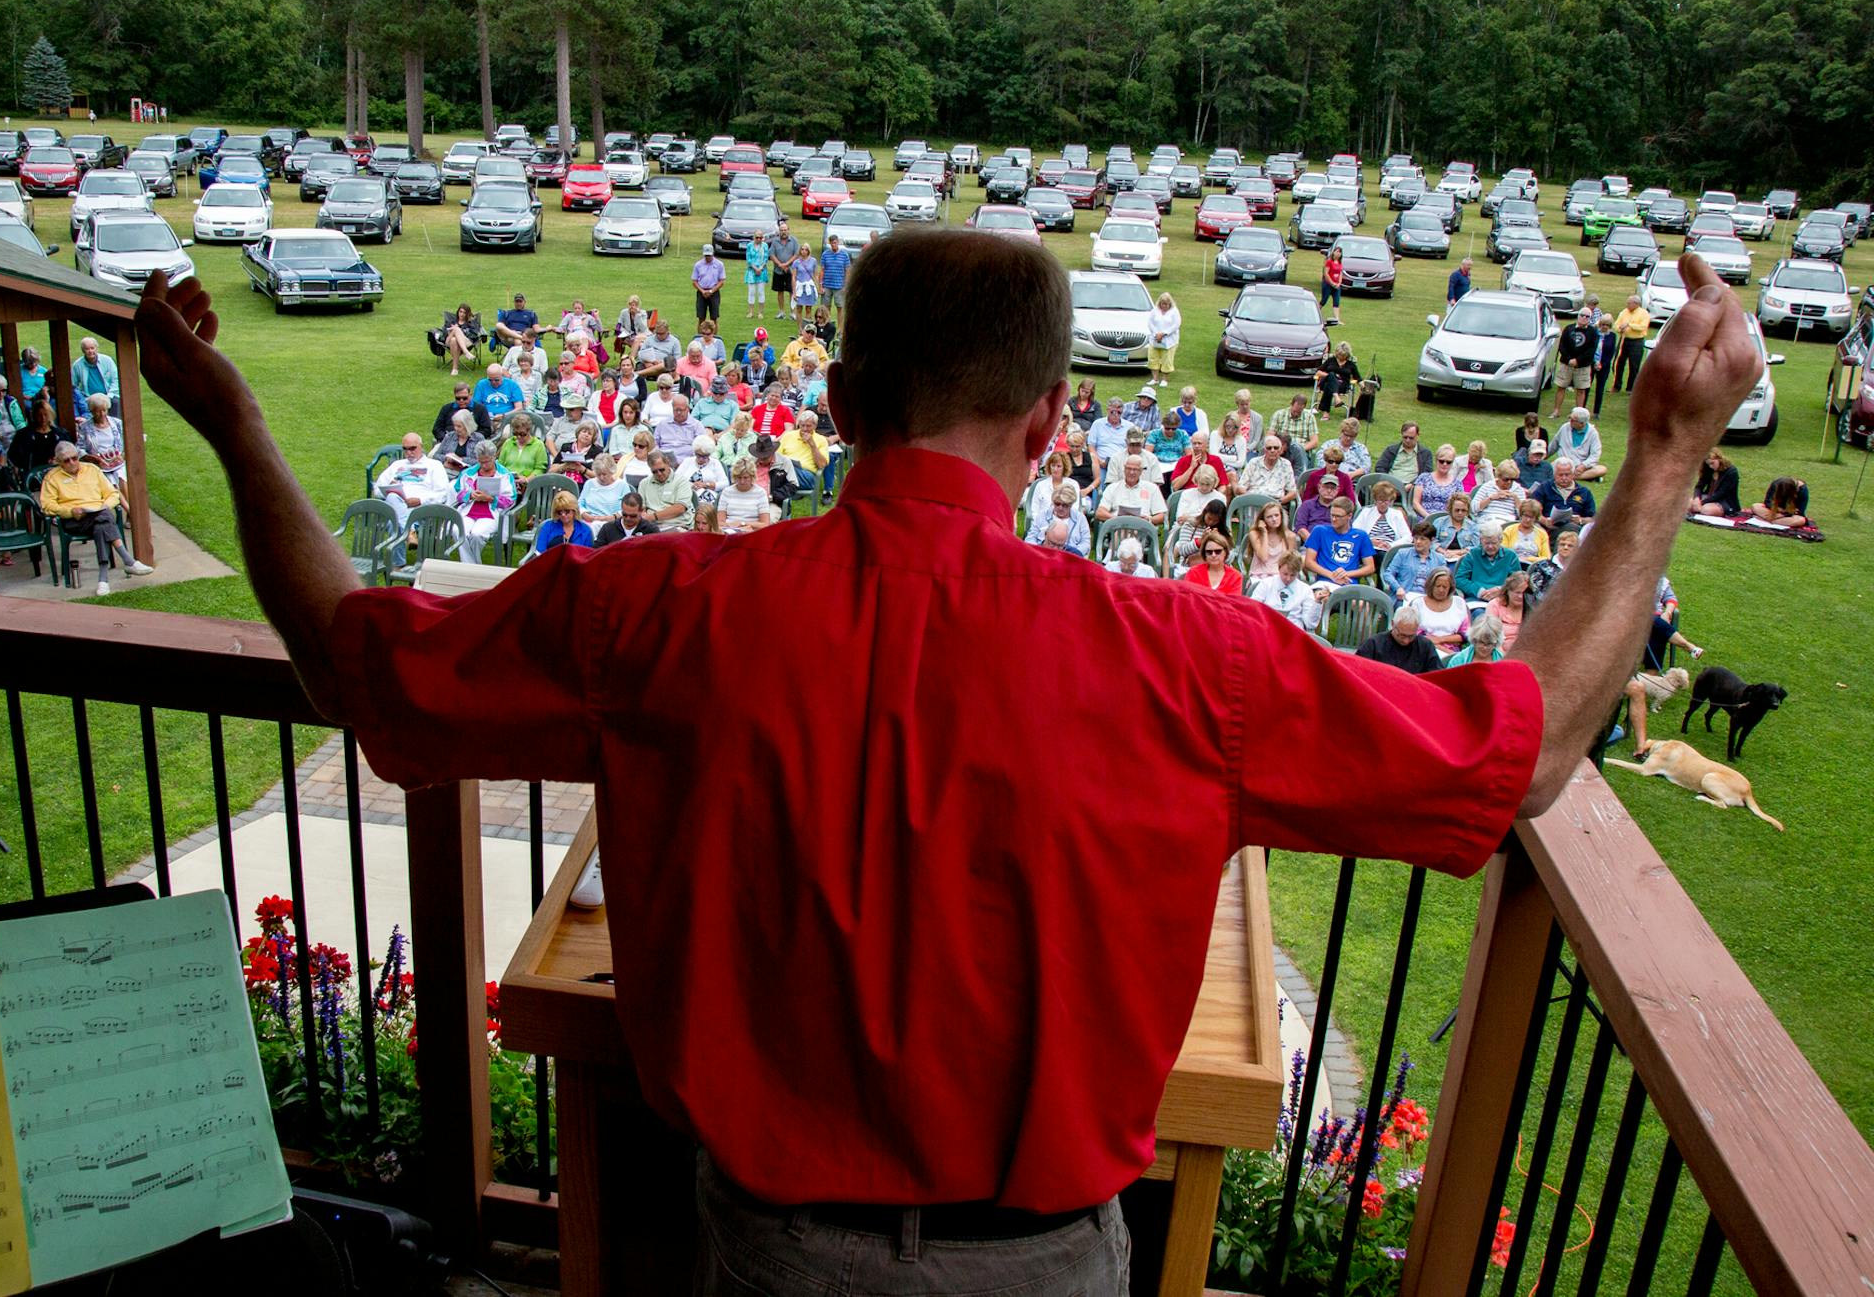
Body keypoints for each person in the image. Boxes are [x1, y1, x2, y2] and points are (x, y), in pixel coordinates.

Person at [130, 234, 1759, 1295]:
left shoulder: (667, 613)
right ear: (1054, 424)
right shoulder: (1189, 660)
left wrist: (231, 420)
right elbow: (1520, 748)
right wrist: (1669, 447)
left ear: (838, 401)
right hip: (1046, 1268)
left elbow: (361, 662)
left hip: (747, 1252)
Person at [38, 440, 152, 592]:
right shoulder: (52, 478)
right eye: (67, 460)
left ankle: (103, 580)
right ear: (58, 462)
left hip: (97, 514)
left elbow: (112, 494)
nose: (72, 462)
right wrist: (70, 511)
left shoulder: (92, 470)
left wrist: (105, 506)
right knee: (105, 518)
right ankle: (128, 561)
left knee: (102, 524)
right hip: (74, 521)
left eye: (75, 458)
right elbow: (47, 506)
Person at [371, 433, 454, 563]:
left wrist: (420, 500)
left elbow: (442, 493)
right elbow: (377, 489)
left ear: (421, 447)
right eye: (405, 449)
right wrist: (389, 488)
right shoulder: (397, 465)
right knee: (393, 496)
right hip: (398, 505)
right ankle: (409, 531)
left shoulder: (434, 465)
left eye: (412, 448)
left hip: (420, 510)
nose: (409, 452)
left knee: (394, 521)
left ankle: (397, 564)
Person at [454, 442, 516, 562]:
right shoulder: (468, 473)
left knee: (477, 534)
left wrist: (491, 499)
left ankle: (469, 566)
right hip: (469, 510)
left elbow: (510, 500)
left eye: (487, 461)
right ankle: (473, 567)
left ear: (494, 457)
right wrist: (470, 495)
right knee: (458, 530)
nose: (484, 465)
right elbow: (458, 493)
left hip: (492, 512)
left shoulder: (504, 474)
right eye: (481, 462)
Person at [1303, 497, 1374, 585]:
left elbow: (1370, 567)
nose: (1334, 519)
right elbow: (1309, 562)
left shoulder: (1361, 536)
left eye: (1338, 516)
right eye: (1332, 515)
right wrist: (1331, 575)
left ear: (1349, 516)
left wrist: (1346, 574)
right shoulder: (1320, 531)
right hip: (1325, 581)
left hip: (1349, 583)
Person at [1358, 604, 1443, 674]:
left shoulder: (1425, 646)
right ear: (1392, 624)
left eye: (1411, 636)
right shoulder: (1373, 645)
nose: (1406, 641)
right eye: (1402, 635)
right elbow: (1357, 671)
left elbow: (1436, 675)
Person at [1250, 552, 1324, 630]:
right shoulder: (1266, 584)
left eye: (1293, 575)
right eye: (1285, 574)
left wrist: (1317, 603)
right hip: (1267, 627)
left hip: (1293, 629)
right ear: (1279, 568)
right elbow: (1253, 608)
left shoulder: (1305, 590)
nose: (1288, 579)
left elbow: (1310, 624)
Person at [1550, 307, 1599, 419]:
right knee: (1561, 387)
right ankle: (1556, 410)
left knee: (1581, 389)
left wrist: (1578, 360)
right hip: (1566, 364)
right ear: (1578, 316)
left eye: (1587, 316)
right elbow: (1562, 345)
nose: (1584, 318)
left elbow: (1591, 350)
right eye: (1582, 315)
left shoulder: (1593, 332)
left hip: (1583, 366)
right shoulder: (1569, 329)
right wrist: (1569, 359)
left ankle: (1578, 415)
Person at [1454, 519, 1520, 603]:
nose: (1490, 546)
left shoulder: (1511, 556)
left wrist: (1501, 589)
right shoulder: (1472, 554)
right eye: (1486, 543)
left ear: (1501, 540)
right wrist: (1479, 591)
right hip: (1476, 598)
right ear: (1481, 540)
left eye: (1494, 543)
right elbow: (1459, 579)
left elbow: (1517, 581)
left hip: (1502, 599)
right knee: (1479, 614)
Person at [1407, 569, 1470, 654]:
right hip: (1423, 650)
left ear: (1450, 587)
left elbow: (1465, 634)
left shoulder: (1459, 602)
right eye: (1437, 586)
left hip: (1454, 651)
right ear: (1431, 585)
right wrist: (1442, 648)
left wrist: (1440, 640)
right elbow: (1415, 634)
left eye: (1445, 587)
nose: (1441, 590)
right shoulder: (1418, 604)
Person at [1244, 500, 1300, 589]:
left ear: (1281, 516)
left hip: (1280, 576)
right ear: (1263, 520)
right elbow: (1264, 557)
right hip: (1259, 575)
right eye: (1269, 517)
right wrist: (1264, 533)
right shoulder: (1255, 534)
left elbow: (1290, 563)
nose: (1274, 519)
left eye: (1276, 515)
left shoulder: (1289, 536)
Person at [8, 398, 72, 475]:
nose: (43, 418)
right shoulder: (23, 435)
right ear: (34, 416)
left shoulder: (61, 434)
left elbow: (70, 453)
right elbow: (14, 456)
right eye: (39, 415)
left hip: (59, 472)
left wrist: (59, 460)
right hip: (33, 474)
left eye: (45, 414)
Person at [1024, 482, 1090, 557]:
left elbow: (1086, 543)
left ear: (1071, 504)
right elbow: (1030, 537)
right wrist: (1038, 551)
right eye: (1057, 504)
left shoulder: (1080, 518)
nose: (1060, 508)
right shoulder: (1043, 515)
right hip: (1043, 556)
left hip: (1069, 558)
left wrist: (1074, 554)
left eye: (1065, 505)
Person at [1381, 523, 1446, 598]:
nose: (1418, 541)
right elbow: (1388, 574)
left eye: (1422, 539)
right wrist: (1398, 588)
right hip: (1405, 596)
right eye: (1416, 538)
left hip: (1428, 598)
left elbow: (1444, 581)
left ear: (1432, 540)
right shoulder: (1403, 554)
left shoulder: (1440, 559)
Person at [78, 392, 128, 489]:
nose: (102, 414)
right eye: (97, 411)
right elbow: (79, 449)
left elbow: (129, 442)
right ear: (91, 411)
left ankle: (128, 504)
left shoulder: (116, 423)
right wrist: (94, 458)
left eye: (104, 410)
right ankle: (124, 504)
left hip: (118, 461)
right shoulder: (85, 427)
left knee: (121, 476)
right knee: (110, 481)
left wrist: (122, 456)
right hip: (98, 464)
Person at [1532, 457, 1599, 530]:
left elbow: (1593, 519)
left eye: (1567, 475)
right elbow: (1532, 511)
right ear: (1554, 475)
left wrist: (1581, 520)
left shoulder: (1584, 492)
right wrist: (1544, 521)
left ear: (1573, 474)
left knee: (1571, 527)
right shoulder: (1544, 488)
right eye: (1560, 475)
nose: (1564, 478)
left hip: (1575, 530)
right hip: (1549, 530)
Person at [639, 449, 695, 532]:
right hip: (653, 527)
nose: (659, 474)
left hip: (678, 525)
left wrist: (652, 517)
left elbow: (680, 508)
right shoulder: (644, 483)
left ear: (668, 464)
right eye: (654, 472)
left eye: (662, 470)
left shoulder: (681, 481)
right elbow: (641, 509)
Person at [1096, 454, 1162, 523]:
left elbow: (1161, 515)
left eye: (1135, 469)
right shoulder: (1112, 488)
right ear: (1124, 469)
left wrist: (1148, 519)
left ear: (1141, 471)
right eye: (1129, 468)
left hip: (1142, 527)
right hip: (1117, 526)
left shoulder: (1152, 488)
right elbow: (1100, 513)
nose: (1131, 472)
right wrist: (1117, 519)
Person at [1354, 479, 1413, 554]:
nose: (1383, 504)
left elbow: (1408, 537)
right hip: (1368, 547)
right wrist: (1369, 541)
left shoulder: (1397, 514)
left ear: (1391, 501)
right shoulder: (1366, 512)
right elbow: (1355, 532)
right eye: (1380, 500)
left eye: (1386, 501)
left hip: (1388, 549)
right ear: (1375, 500)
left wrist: (1390, 545)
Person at [719, 456, 775, 533]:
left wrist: (743, 524)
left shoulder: (760, 493)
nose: (742, 481)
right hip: (729, 531)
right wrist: (731, 526)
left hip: (752, 532)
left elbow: (765, 524)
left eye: (745, 478)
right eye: (739, 477)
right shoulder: (727, 492)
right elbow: (719, 522)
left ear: (752, 477)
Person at [531, 490, 595, 555]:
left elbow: (587, 556)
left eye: (567, 511)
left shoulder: (585, 530)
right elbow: (540, 553)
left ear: (574, 510)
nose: (563, 515)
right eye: (559, 512)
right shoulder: (548, 526)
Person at [1554, 407, 1607, 481]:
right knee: (1550, 467)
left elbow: (1595, 455)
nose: (1570, 421)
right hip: (1563, 464)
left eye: (1573, 420)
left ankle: (1567, 477)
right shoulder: (1564, 427)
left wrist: (1583, 466)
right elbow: (1553, 446)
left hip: (1580, 467)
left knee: (1602, 469)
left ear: (1582, 423)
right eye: (1570, 419)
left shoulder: (1592, 433)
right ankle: (1587, 478)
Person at [1411, 445, 1464, 518]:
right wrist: (1428, 517)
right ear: (1436, 460)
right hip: (1424, 518)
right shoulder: (1423, 478)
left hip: (1447, 520)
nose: (1444, 464)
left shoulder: (1457, 484)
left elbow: (1459, 507)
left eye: (1448, 462)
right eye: (1441, 461)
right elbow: (1415, 503)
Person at [1239, 436, 1298, 501]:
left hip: (1275, 503)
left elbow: (1293, 492)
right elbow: (1241, 487)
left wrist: (1280, 501)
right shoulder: (1253, 463)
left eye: (1276, 448)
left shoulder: (1286, 465)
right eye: (1269, 448)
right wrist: (1249, 498)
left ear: (1281, 450)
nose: (1272, 450)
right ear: (1264, 450)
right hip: (1253, 501)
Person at [1612, 296, 1651, 393]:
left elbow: (1643, 326)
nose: (1627, 305)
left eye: (1629, 303)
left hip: (1637, 341)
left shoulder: (1643, 313)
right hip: (1624, 340)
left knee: (1634, 365)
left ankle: (1631, 388)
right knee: (1619, 363)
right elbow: (1616, 325)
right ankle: (1617, 386)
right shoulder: (1624, 312)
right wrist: (1619, 328)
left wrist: (1629, 325)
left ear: (1636, 304)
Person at [498, 414, 550, 482]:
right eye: (515, 433)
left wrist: (526, 480)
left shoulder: (538, 445)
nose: (518, 437)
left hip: (528, 482)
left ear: (529, 431)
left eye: (522, 434)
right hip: (507, 481)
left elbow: (540, 470)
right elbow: (500, 465)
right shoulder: (508, 443)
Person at [1473, 460, 1527, 525]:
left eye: (1512, 479)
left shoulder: (1519, 490)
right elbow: (1474, 508)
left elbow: (1523, 515)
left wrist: (1515, 498)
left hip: (1508, 521)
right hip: (1487, 519)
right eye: (1506, 479)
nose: (1509, 482)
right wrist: (1491, 498)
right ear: (1499, 476)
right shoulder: (1488, 486)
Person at [1313, 344, 1360, 416]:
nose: (1341, 357)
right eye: (1339, 355)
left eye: (1343, 355)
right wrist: (1331, 376)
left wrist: (1363, 385)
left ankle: (1326, 413)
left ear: (1347, 355)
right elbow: (1318, 372)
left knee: (1328, 385)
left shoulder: (1351, 365)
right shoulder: (1330, 360)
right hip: (1326, 380)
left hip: (1342, 386)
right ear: (1337, 353)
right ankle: (1336, 397)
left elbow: (1358, 377)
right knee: (1331, 375)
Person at [1690, 449, 1739, 517]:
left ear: (1719, 459)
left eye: (1712, 463)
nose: (1711, 466)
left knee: (1706, 510)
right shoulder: (1708, 468)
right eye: (1708, 464)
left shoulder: (1731, 472)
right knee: (1685, 503)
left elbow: (1721, 493)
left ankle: (1700, 509)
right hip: (1708, 497)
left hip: (1724, 501)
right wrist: (1697, 498)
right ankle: (1699, 508)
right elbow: (1699, 486)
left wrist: (1701, 503)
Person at [767, 218, 800, 320]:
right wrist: (780, 264)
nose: (783, 232)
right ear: (779, 231)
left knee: (791, 291)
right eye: (781, 230)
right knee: (780, 291)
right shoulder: (775, 241)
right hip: (778, 271)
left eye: (785, 230)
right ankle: (781, 312)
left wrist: (786, 264)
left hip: (791, 271)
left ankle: (792, 312)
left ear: (788, 230)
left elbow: (796, 254)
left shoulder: (794, 241)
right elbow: (771, 254)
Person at [1488, 572, 1531, 650]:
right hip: (1499, 652)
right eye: (1517, 592)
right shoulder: (1495, 605)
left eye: (1524, 593)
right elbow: (1491, 636)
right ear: (1508, 591)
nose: (1520, 596)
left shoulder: (1532, 607)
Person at [818, 234, 853, 326]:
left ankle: (840, 329)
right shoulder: (825, 254)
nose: (834, 245)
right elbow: (822, 270)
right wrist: (820, 285)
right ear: (829, 243)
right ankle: (826, 326)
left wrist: (846, 285)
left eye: (835, 243)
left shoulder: (844, 255)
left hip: (839, 286)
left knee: (840, 307)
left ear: (838, 242)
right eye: (832, 243)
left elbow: (847, 271)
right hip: (827, 285)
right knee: (825, 308)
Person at [71, 337, 120, 403]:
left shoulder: (108, 361)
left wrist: (109, 396)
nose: (90, 351)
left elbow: (116, 380)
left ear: (96, 349)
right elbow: (73, 385)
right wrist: (81, 397)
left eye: (92, 348)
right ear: (83, 350)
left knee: (116, 402)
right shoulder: (77, 365)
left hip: (109, 396)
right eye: (87, 349)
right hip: (88, 399)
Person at [1147, 292, 1181, 386]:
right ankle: (1155, 378)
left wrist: (1164, 333)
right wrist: (1156, 333)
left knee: (1167, 359)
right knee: (1153, 358)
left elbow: (1176, 324)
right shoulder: (1155, 310)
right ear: (1160, 303)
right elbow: (1150, 322)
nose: (1165, 306)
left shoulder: (1174, 311)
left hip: (1169, 340)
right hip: (1155, 339)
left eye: (1167, 304)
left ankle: (1165, 379)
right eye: (1163, 304)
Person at [439, 304, 483, 375]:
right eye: (460, 311)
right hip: (448, 341)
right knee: (455, 332)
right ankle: (466, 353)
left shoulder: (471, 323)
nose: (462, 314)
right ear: (458, 312)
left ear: (467, 314)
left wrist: (461, 330)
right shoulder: (452, 321)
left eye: (464, 312)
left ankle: (455, 368)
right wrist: (451, 331)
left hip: (466, 342)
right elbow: (443, 333)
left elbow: (474, 335)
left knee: (455, 339)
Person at [692, 244, 727, 327]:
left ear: (713, 254)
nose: (708, 257)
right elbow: (694, 281)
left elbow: (721, 281)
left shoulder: (719, 264)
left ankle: (714, 338)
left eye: (709, 255)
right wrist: (702, 291)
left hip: (714, 293)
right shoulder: (698, 265)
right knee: (701, 318)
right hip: (701, 292)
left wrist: (711, 291)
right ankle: (700, 337)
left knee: (714, 318)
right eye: (706, 255)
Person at [743, 232, 771, 320]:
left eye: (760, 237)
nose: (759, 239)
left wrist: (761, 268)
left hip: (762, 271)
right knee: (751, 292)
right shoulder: (749, 246)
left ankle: (760, 312)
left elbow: (766, 258)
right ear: (754, 237)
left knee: (760, 292)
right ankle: (751, 312)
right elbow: (748, 259)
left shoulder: (765, 246)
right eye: (757, 237)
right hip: (751, 271)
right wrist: (755, 268)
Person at [1319, 247, 1345, 323]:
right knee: (1324, 300)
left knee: (1336, 302)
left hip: (1336, 285)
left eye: (1340, 252)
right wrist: (1331, 283)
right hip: (1328, 284)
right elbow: (1326, 273)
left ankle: (1337, 319)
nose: (1338, 253)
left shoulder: (1340, 263)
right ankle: (1315, 312)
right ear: (1333, 252)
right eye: (1337, 251)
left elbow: (1340, 273)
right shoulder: (1329, 262)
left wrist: (1339, 283)